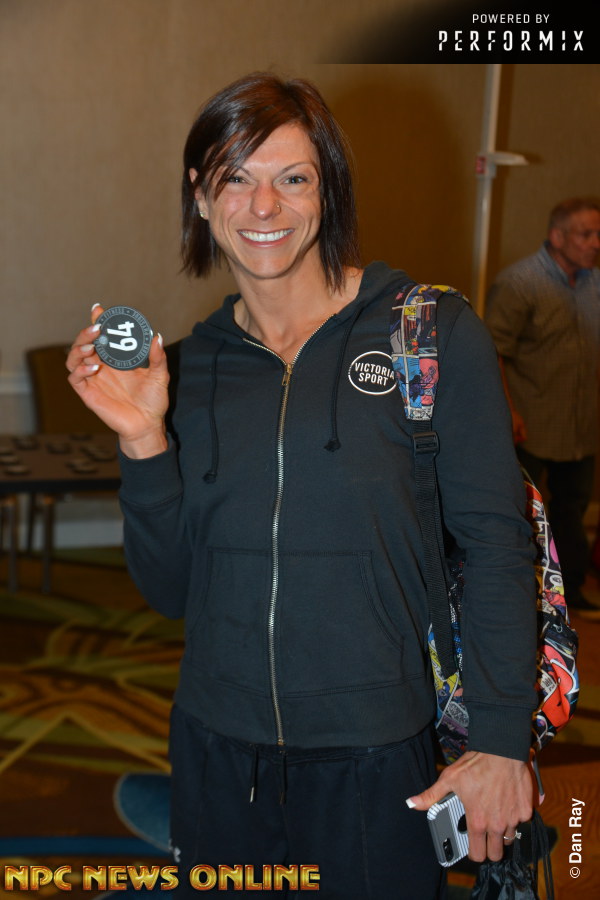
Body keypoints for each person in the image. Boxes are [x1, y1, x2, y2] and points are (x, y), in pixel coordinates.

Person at [67, 72, 537, 899]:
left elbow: (498, 546)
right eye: (235, 178)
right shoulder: (191, 369)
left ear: (329, 190)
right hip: (216, 758)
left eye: (293, 177)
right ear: (200, 195)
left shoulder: (428, 335)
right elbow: (170, 591)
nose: (264, 206)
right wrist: (142, 439)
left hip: (375, 760)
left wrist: (500, 743)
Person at [485, 198, 600, 618]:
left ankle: (572, 594)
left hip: (580, 426)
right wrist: (509, 411)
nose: (596, 243)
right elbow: (493, 352)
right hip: (530, 422)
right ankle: (521, 600)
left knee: (572, 509)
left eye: (599, 234)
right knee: (522, 511)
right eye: (586, 234)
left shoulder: (594, 283)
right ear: (557, 237)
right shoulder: (520, 283)